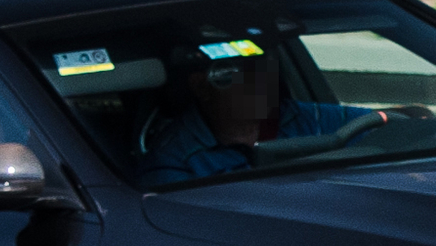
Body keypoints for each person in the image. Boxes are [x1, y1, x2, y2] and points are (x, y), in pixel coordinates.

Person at [140, 53, 415, 184]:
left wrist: (414, 123)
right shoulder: (174, 158)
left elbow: (395, 122)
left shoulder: (302, 117)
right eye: (239, 73)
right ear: (202, 86)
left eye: (263, 69)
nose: (261, 82)